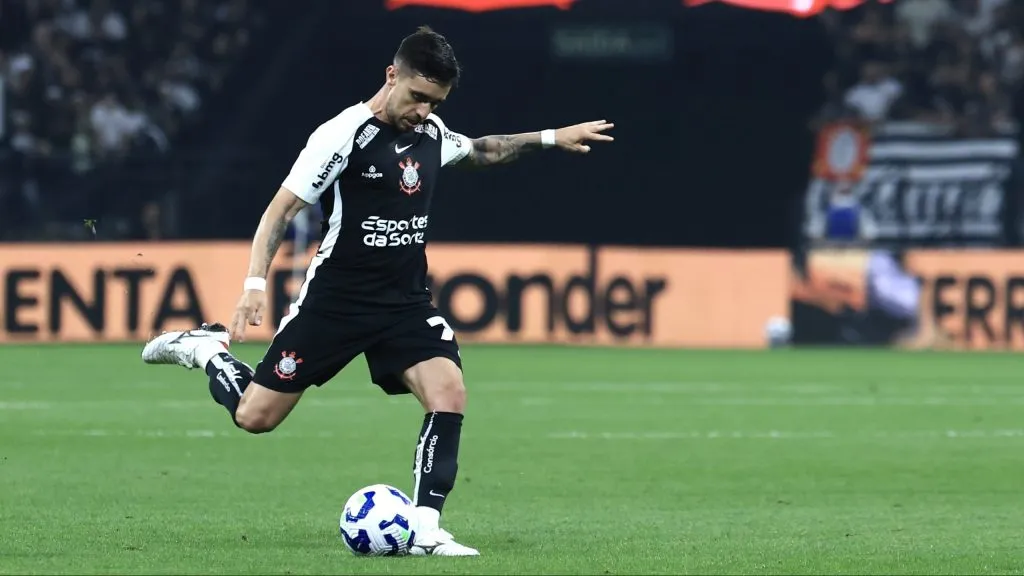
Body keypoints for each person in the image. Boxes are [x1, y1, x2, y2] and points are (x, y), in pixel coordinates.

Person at [140, 25, 614, 557]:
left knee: (448, 393)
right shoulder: (342, 135)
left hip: (405, 302)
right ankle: (206, 350)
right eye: (416, 97)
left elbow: (482, 150)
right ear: (392, 76)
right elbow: (281, 210)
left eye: (434, 102)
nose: (423, 111)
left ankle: (426, 530)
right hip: (336, 303)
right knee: (256, 417)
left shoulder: (432, 133)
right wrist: (254, 285)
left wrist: (550, 138)